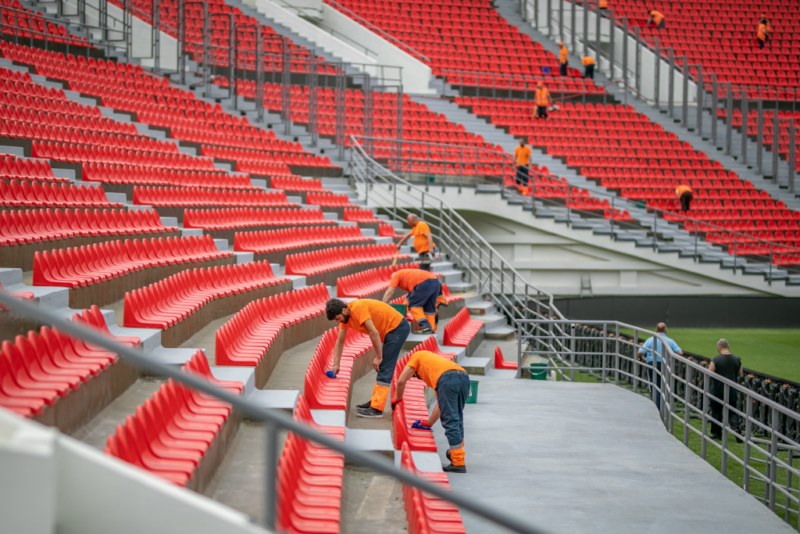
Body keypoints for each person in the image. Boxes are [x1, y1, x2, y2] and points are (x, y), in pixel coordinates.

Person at [326, 298, 410, 418]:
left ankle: (377, 408)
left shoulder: (358, 308)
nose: (338, 321)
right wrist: (336, 364)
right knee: (383, 367)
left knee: (385, 367)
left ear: (344, 310)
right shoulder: (344, 319)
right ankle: (375, 401)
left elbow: (373, 332)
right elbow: (340, 342)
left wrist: (379, 357)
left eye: (338, 318)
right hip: (391, 331)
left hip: (397, 328)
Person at [392, 350, 470, 473]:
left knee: (450, 420)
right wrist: (428, 423)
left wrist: (398, 399)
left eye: (415, 376)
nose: (417, 378)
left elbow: (401, 381)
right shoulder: (434, 367)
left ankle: (458, 462)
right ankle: (456, 453)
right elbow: (440, 405)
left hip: (447, 380)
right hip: (464, 377)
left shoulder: (415, 357)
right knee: (457, 417)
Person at [382, 268, 442, 334]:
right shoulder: (408, 276)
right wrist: (404, 308)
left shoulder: (396, 275)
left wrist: (383, 304)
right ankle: (431, 329)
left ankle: (426, 326)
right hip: (435, 282)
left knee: (414, 306)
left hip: (424, 283)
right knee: (429, 309)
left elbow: (390, 291)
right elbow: (410, 296)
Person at [638, 322, 683, 410]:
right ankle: (661, 407)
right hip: (664, 364)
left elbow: (639, 352)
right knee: (663, 387)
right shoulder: (669, 341)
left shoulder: (650, 340)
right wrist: (671, 359)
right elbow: (680, 353)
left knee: (654, 385)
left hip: (652, 363)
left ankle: (656, 407)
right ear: (665, 330)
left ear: (656, 329)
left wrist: (643, 359)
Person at [708, 339, 743, 440]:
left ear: (719, 347)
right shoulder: (737, 359)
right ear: (728, 347)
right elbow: (740, 373)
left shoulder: (715, 359)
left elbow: (709, 373)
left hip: (717, 390)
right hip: (732, 390)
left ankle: (716, 434)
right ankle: (737, 431)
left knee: (716, 412)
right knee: (733, 412)